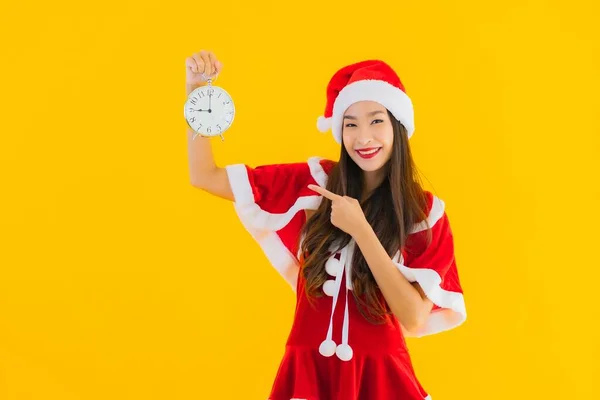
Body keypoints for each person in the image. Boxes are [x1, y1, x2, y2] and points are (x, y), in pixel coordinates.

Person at [186, 50, 467, 400]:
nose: (363, 137)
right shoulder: (312, 184)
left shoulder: (423, 213)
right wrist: (197, 96)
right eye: (351, 124)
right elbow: (204, 176)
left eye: (376, 121)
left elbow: (412, 317)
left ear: (397, 124)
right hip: (308, 376)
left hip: (379, 381)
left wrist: (361, 230)